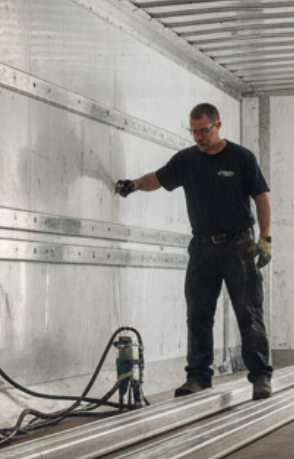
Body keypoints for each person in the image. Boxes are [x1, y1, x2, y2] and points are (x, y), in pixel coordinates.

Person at [114, 103, 274, 399]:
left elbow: (261, 198)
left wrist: (265, 239)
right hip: (202, 248)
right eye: (194, 132)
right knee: (198, 314)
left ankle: (261, 378)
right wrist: (134, 184)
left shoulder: (241, 158)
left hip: (239, 246)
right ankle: (198, 378)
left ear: (218, 126)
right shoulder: (186, 160)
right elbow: (158, 179)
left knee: (248, 312)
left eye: (204, 131)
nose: (199, 137)